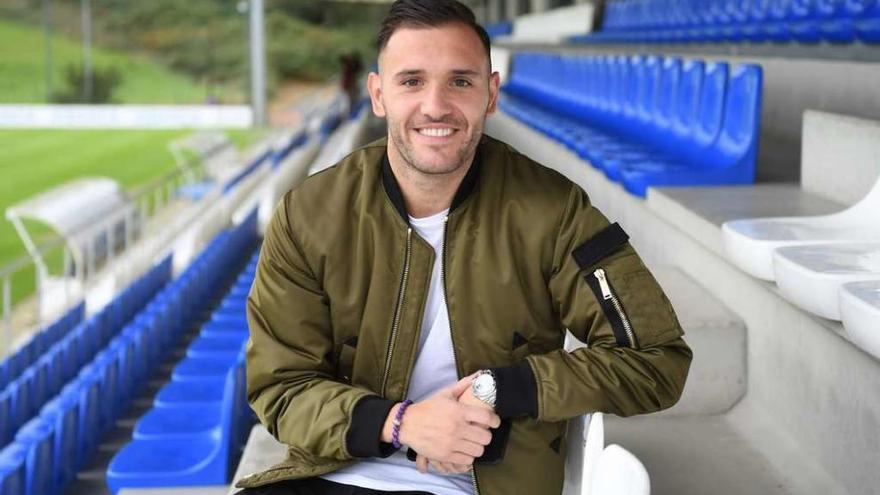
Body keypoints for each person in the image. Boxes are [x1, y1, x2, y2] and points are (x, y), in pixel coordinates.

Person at [237, 1, 692, 494]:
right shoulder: (309, 214)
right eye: (411, 81)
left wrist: (502, 388)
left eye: (460, 81)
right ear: (378, 94)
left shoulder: (553, 211)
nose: (436, 105)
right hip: (336, 468)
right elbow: (281, 386)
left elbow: (656, 360)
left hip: (484, 483)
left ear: (490, 94)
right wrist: (400, 423)